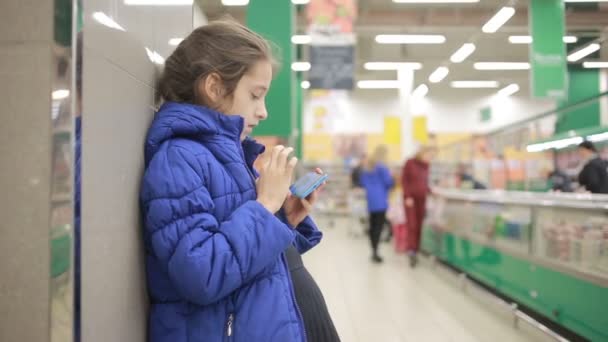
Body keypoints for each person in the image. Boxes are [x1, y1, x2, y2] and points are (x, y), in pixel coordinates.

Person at [140, 20, 338, 342]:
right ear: (215, 87)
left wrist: (282, 217)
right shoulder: (178, 160)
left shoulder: (225, 156)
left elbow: (250, 261)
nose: (263, 112)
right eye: (255, 96)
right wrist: (265, 206)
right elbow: (201, 273)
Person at [359, 145, 395, 263]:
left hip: (371, 200)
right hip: (380, 200)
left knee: (373, 226)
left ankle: (373, 250)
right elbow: (388, 182)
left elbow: (362, 182)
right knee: (379, 227)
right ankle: (375, 252)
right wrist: (393, 179)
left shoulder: (368, 167)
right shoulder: (382, 167)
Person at [401, 146, 435, 268]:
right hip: (411, 200)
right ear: (422, 153)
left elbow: (424, 183)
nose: (430, 157)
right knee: (412, 225)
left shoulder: (426, 166)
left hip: (422, 199)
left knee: (420, 225)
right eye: (428, 155)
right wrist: (407, 196)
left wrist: (431, 191)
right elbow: (405, 181)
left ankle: (416, 250)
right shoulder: (410, 163)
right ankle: (411, 250)